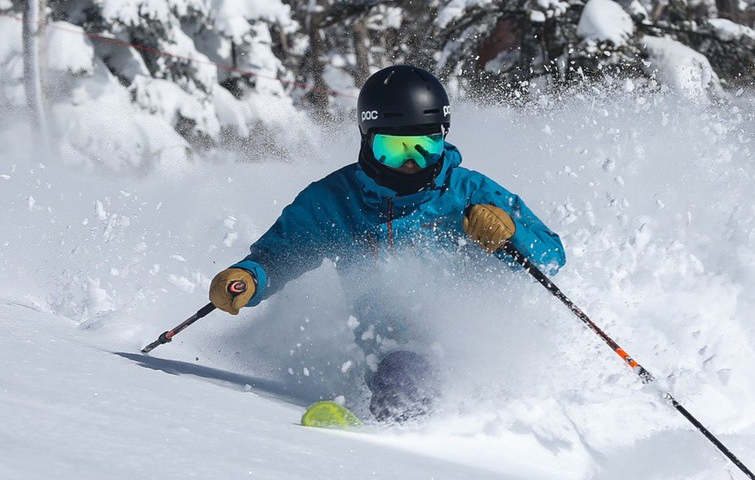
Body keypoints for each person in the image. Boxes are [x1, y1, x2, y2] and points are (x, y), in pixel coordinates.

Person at [207, 64, 564, 421]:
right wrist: (250, 277)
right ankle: (398, 449)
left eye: (426, 146)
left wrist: (511, 233)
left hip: (474, 346)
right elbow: (280, 255)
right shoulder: (335, 200)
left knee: (433, 384)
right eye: (394, 149)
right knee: (404, 378)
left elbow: (552, 257)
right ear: (367, 137)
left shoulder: (468, 192)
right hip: (390, 351)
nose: (411, 163)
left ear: (443, 136)